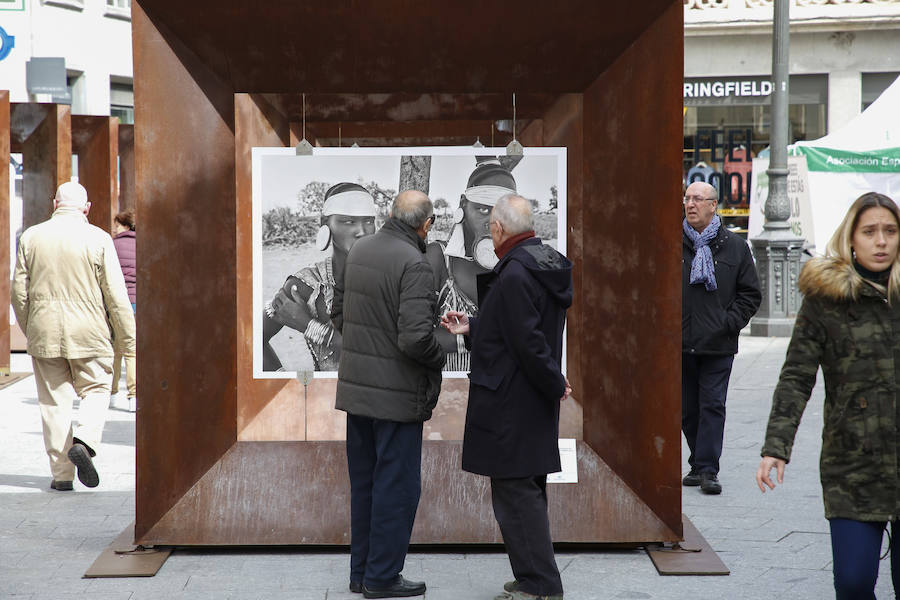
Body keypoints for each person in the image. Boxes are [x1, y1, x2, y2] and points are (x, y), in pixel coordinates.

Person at [757, 192, 900, 599]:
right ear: (850, 238)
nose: (881, 241)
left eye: (890, 231)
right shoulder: (827, 301)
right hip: (852, 465)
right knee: (853, 584)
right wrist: (776, 447)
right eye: (870, 231)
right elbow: (796, 377)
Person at [442, 194, 572, 600]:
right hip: (529, 399)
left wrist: (556, 381)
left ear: (497, 229)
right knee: (526, 488)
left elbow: (528, 342)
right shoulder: (541, 261)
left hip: (511, 401)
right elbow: (517, 327)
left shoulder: (514, 273)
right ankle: (533, 576)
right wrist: (473, 327)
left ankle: (540, 585)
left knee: (517, 494)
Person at [332, 190, 445, 598]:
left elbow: (338, 313)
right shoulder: (415, 263)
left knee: (365, 484)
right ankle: (381, 578)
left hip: (359, 393)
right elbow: (416, 339)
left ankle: (361, 573)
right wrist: (445, 346)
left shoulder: (358, 250)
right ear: (425, 224)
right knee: (396, 488)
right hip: (396, 397)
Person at [12, 181, 135, 491]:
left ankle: (62, 476)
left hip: (44, 331)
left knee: (54, 402)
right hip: (90, 332)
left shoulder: (31, 237)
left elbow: (18, 293)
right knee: (96, 388)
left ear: (55, 204)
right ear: (87, 208)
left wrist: (31, 328)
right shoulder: (99, 238)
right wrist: (127, 338)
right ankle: (86, 440)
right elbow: (115, 294)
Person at [681, 180, 761, 495]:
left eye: (698, 199)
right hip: (680, 343)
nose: (690, 204)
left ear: (714, 205)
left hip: (718, 343)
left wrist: (728, 323)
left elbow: (750, 295)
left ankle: (707, 469)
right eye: (687, 198)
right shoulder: (671, 242)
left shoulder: (735, 247)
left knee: (712, 405)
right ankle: (699, 462)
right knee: (688, 409)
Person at [262, 182, 377, 371]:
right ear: (325, 224)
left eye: (369, 221)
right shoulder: (308, 284)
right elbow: (251, 340)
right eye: (349, 221)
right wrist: (283, 383)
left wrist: (308, 326)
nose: (362, 231)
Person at [426, 157, 517, 371]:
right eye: (483, 210)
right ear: (463, 205)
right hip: (446, 394)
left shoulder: (518, 265)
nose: (493, 222)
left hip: (503, 395)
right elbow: (413, 336)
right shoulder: (438, 258)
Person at [111, 209, 137, 411]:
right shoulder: (143, 244)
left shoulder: (113, 244)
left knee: (114, 350)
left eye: (117, 225)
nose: (115, 228)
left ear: (125, 225)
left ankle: (111, 393)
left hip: (118, 303)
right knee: (132, 350)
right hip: (137, 303)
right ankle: (134, 396)